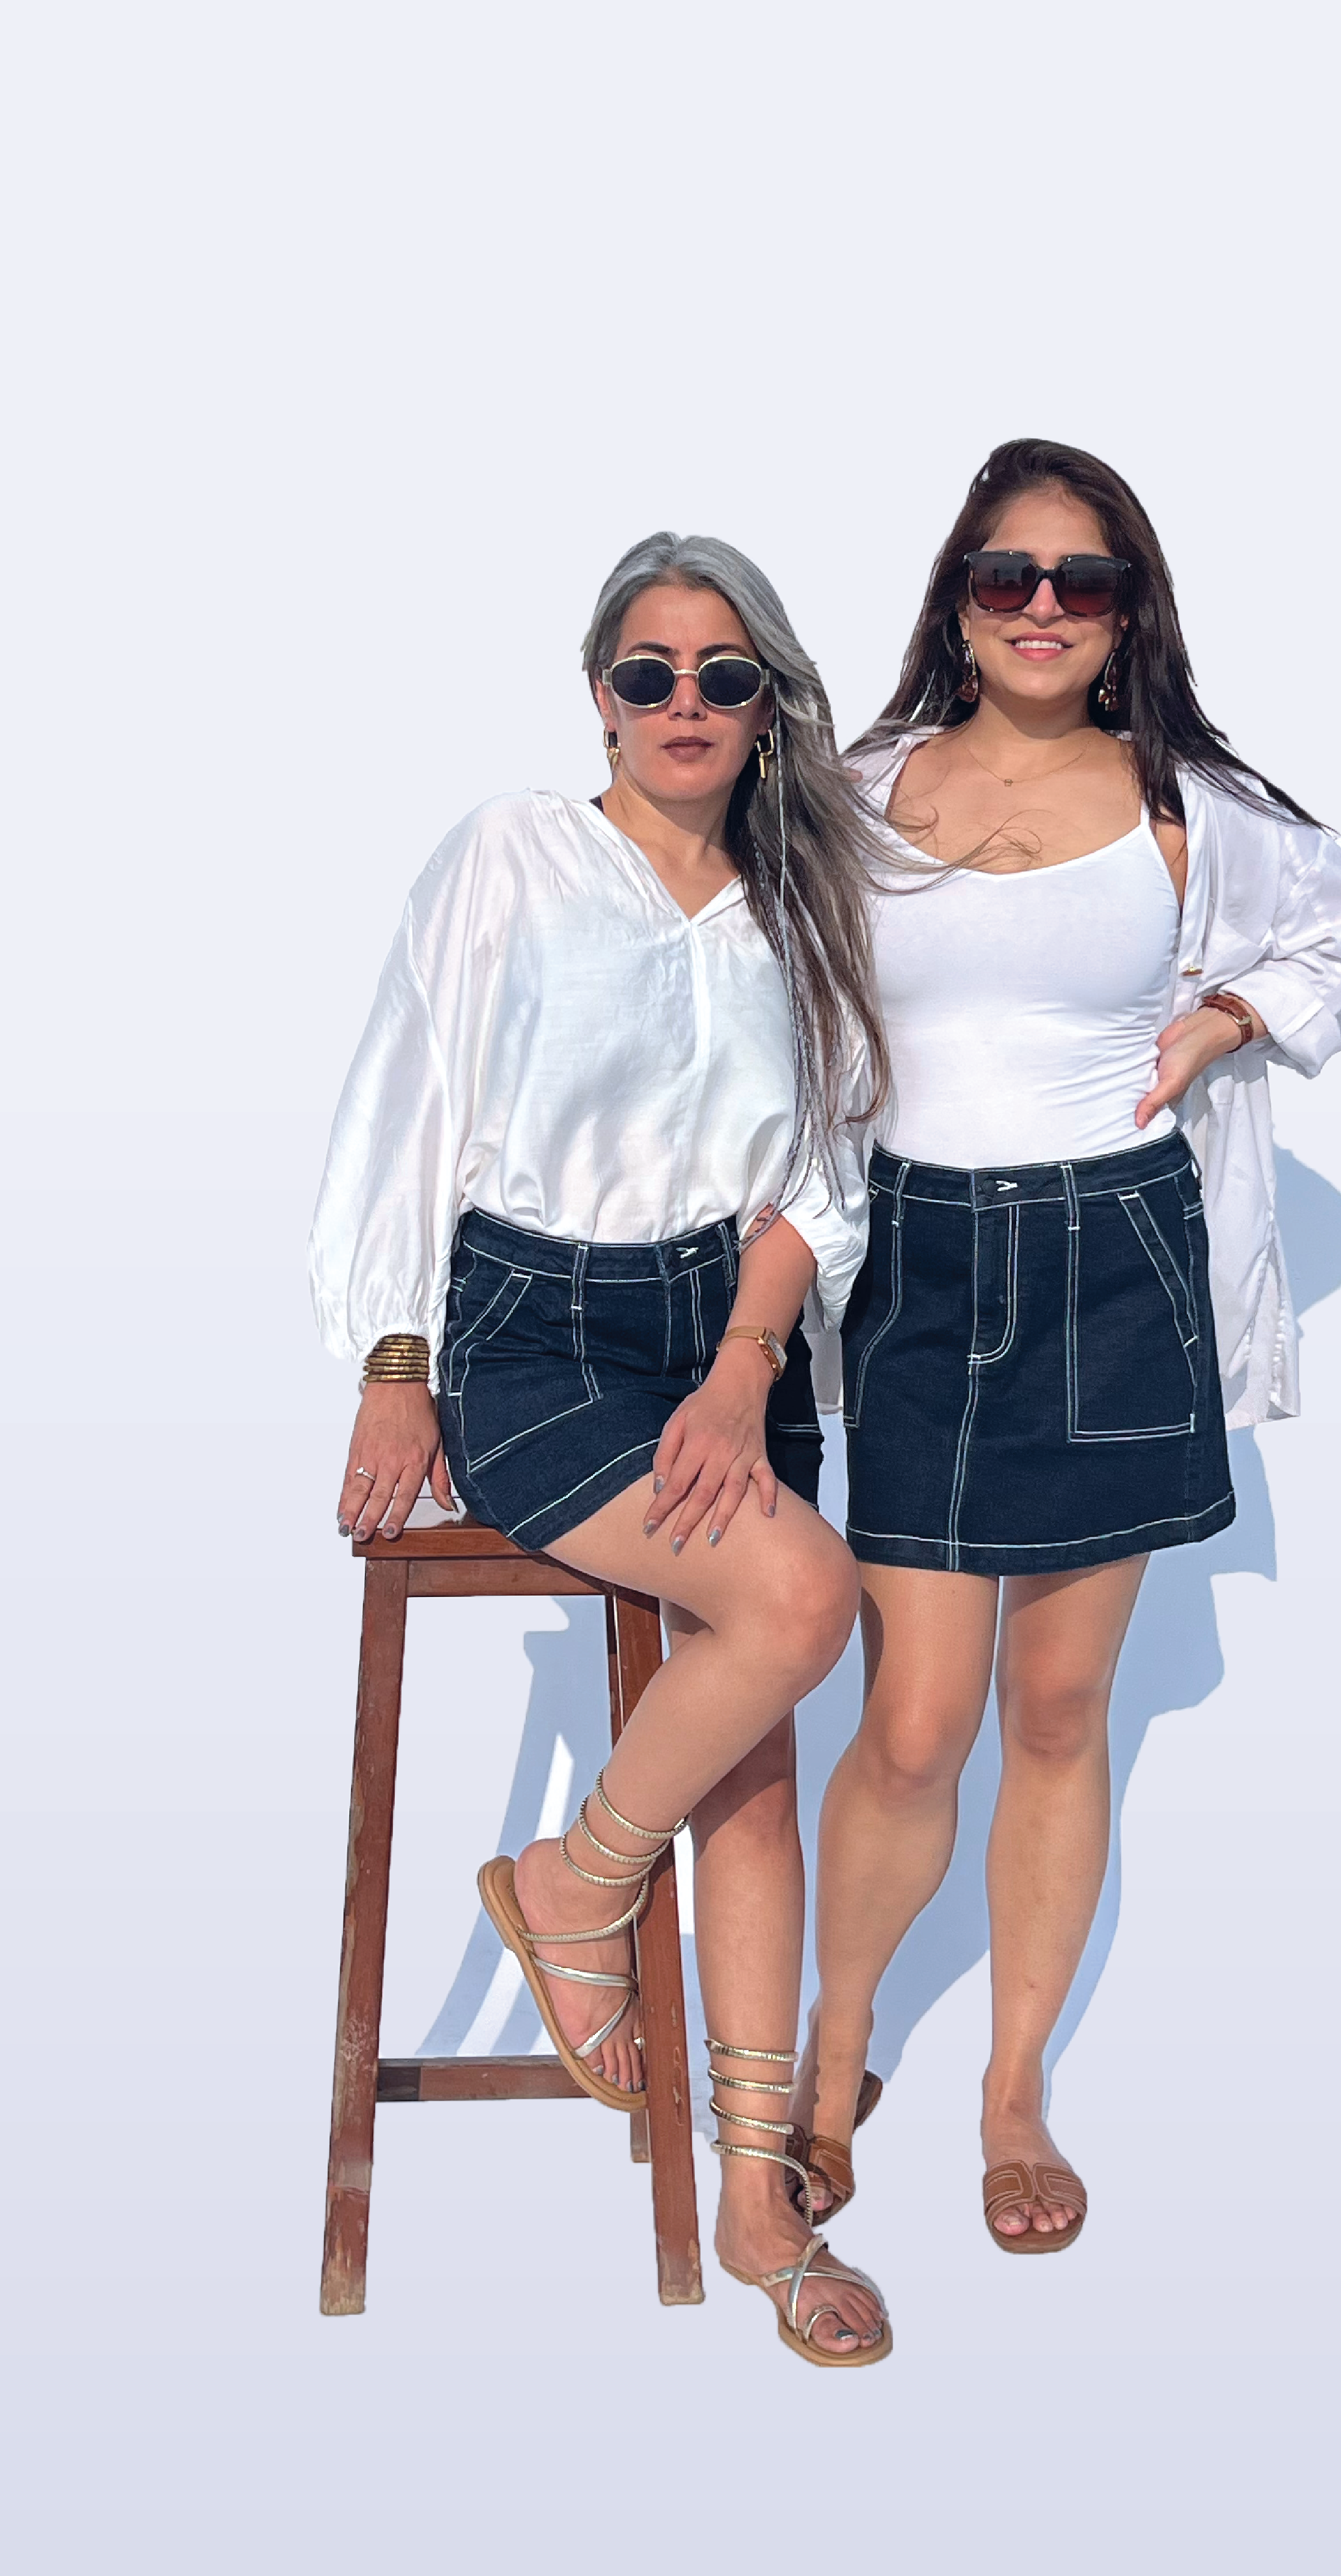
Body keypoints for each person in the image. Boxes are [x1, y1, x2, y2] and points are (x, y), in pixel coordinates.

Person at [795, 437, 1341, 2254]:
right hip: (918, 1256)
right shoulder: (855, 790)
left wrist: (1232, 1016)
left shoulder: (1181, 801)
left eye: (1084, 579)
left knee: (1060, 1709)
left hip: (1114, 1258)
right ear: (959, 601)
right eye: (1010, 576)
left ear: (1128, 609)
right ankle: (827, 2070)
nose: (1046, 608)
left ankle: (1012, 2089)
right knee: (913, 1718)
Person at [309, 533, 891, 2364]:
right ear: (599, 692)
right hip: (533, 1324)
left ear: (768, 699)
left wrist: (741, 1365)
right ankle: (576, 1884)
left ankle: (751, 2194)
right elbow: (407, 1092)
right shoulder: (514, 854)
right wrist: (396, 1352)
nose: (688, 706)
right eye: (651, 672)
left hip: (734, 1325)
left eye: (725, 675)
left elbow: (833, 1172)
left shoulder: (804, 901)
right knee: (802, 1594)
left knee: (764, 1752)